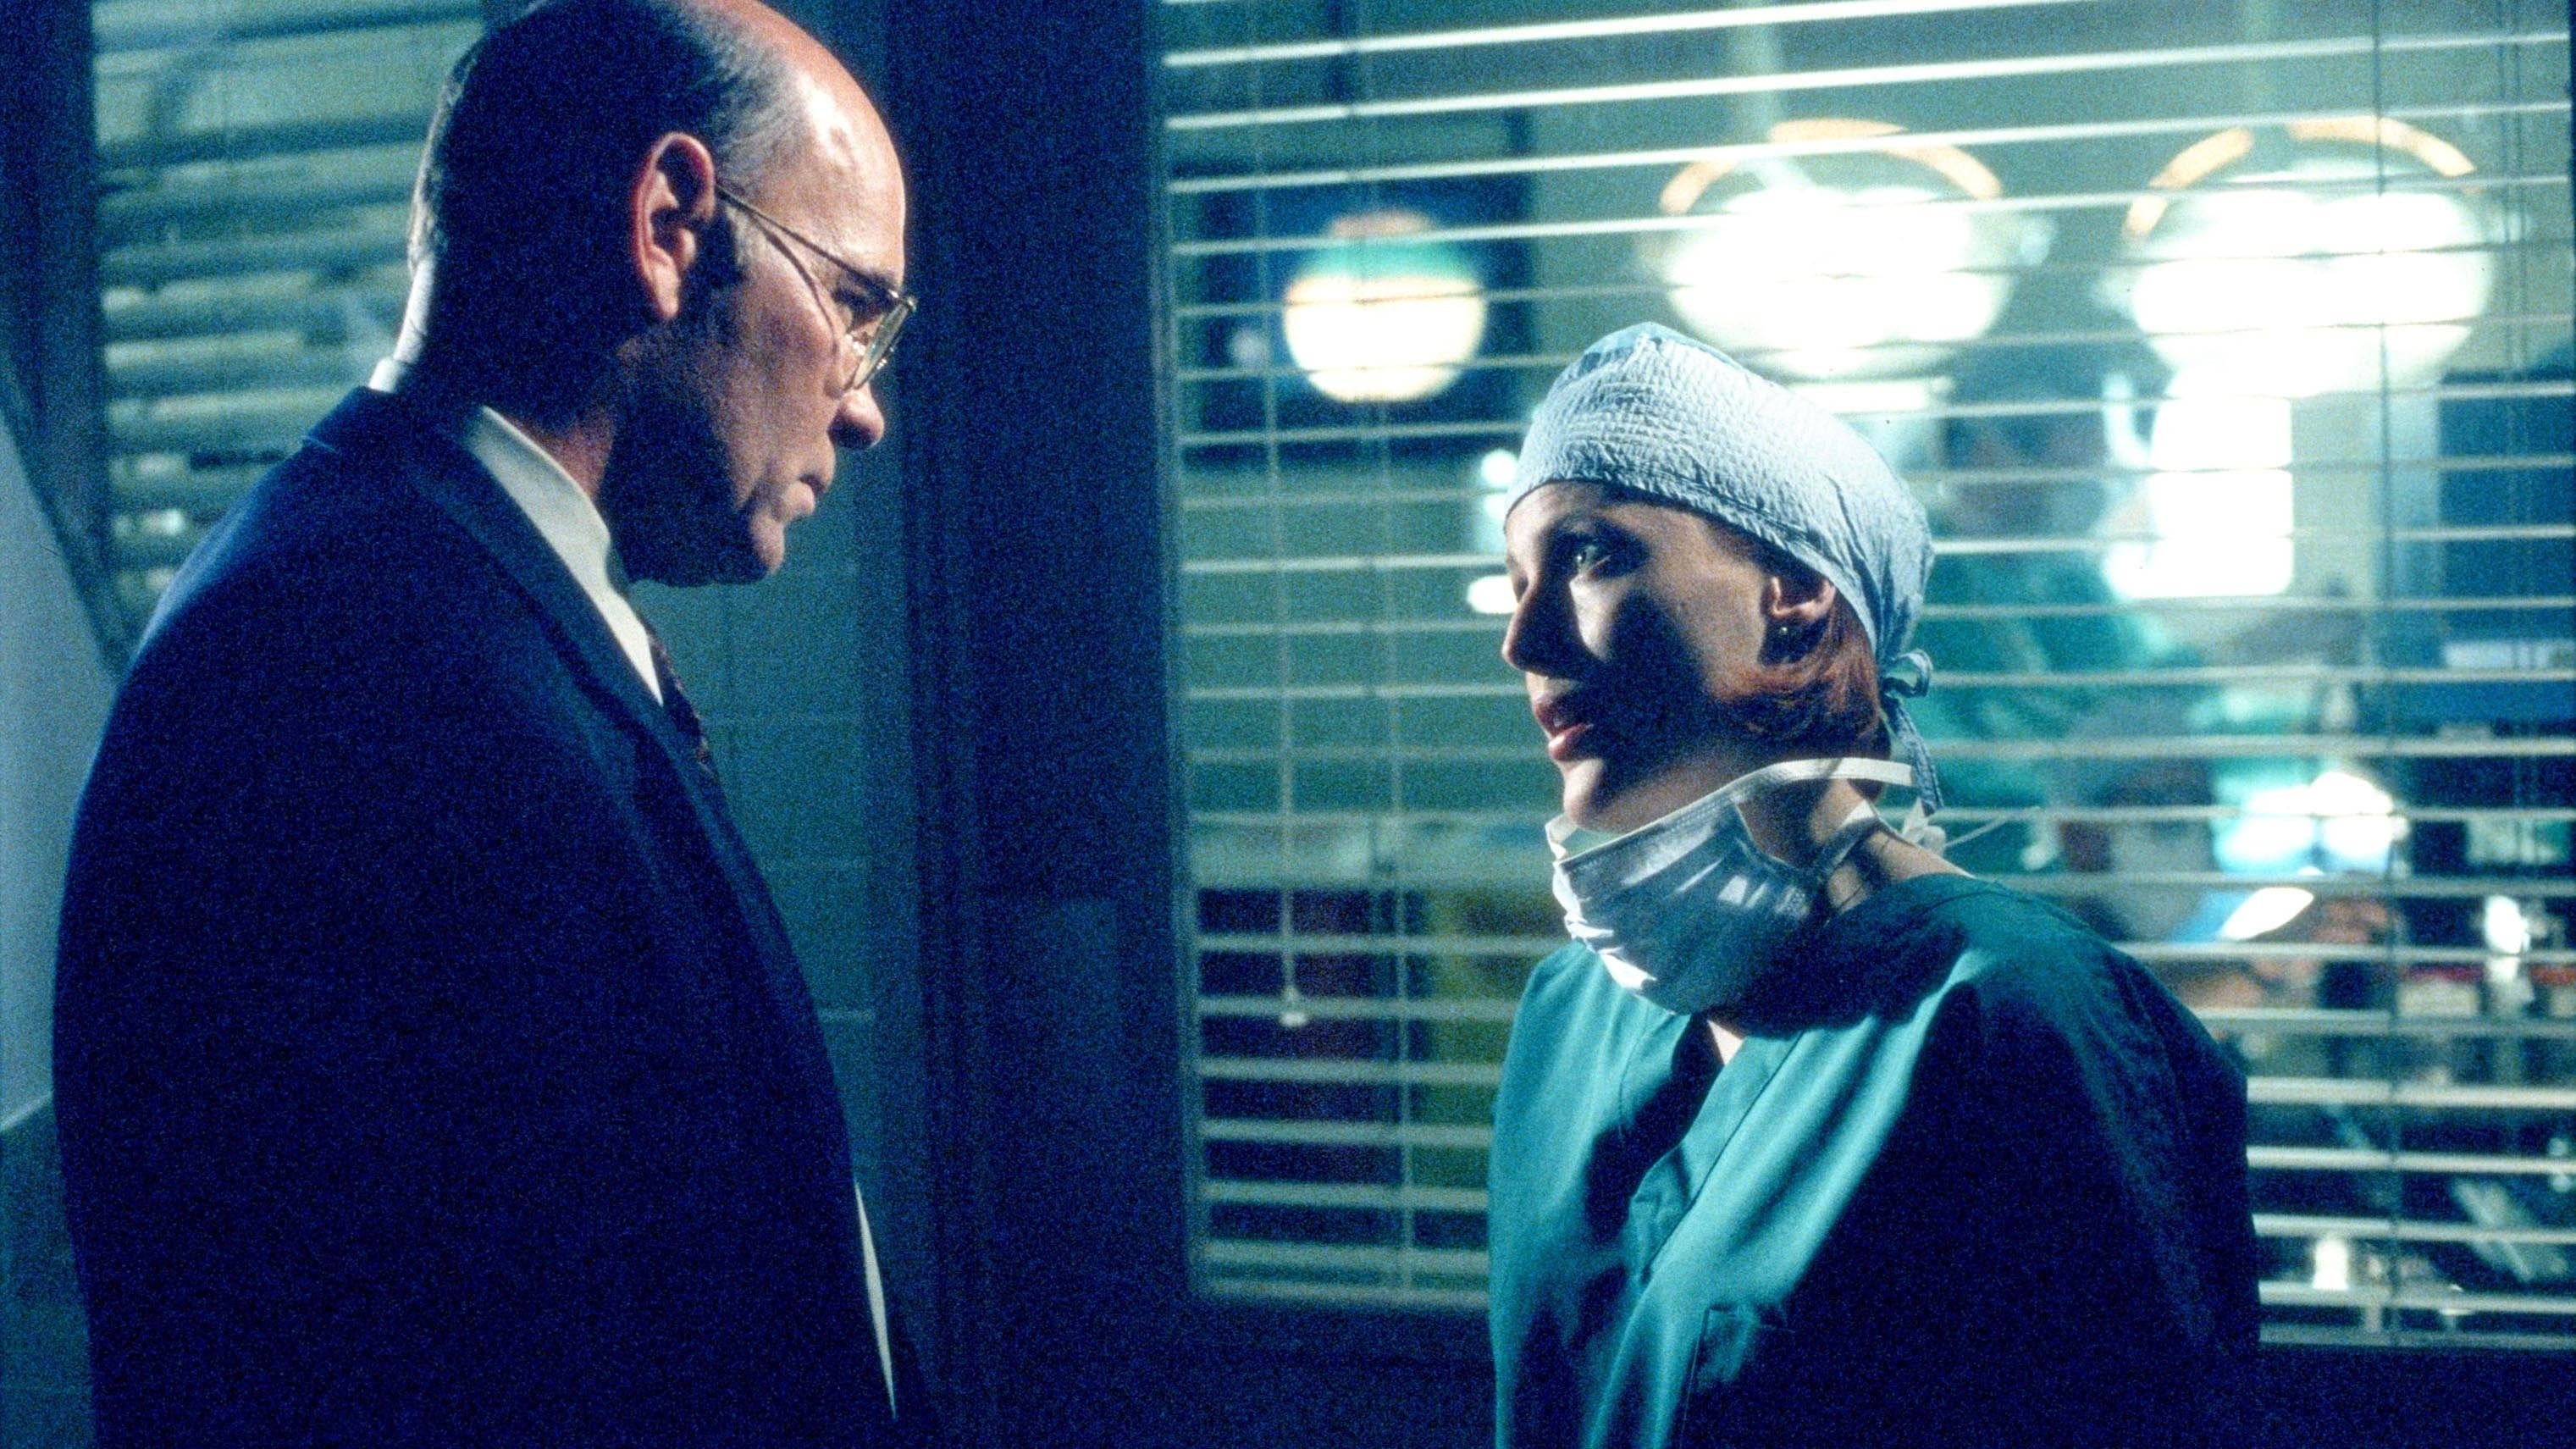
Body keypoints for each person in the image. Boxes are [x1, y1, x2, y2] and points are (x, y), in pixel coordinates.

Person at [52, 1, 930, 1443]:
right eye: (851, 306)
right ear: (669, 225)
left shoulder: (431, 597)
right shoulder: (360, 669)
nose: (863, 409)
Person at [1484, 324, 2258, 1448]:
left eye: (1591, 556)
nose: (1523, 640)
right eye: (1517, 581)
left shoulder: (2011, 1018)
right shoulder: (1570, 1018)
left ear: (1795, 596)